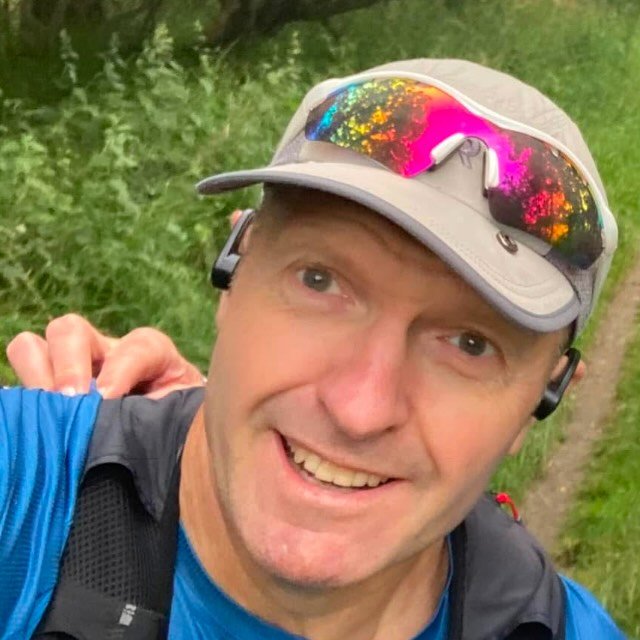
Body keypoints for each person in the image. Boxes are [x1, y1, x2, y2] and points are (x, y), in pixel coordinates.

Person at [1, 58, 626, 639]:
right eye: (319, 281)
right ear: (236, 269)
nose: (359, 411)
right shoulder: (26, 491)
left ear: (544, 394)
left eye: (470, 344)